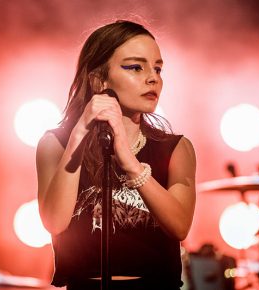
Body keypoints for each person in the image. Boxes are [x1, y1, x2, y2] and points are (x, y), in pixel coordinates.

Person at [36, 20, 196, 290]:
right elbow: (54, 221)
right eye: (135, 67)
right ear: (99, 79)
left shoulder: (176, 148)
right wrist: (78, 136)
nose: (152, 77)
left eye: (157, 68)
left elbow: (180, 226)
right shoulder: (56, 144)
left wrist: (130, 163)